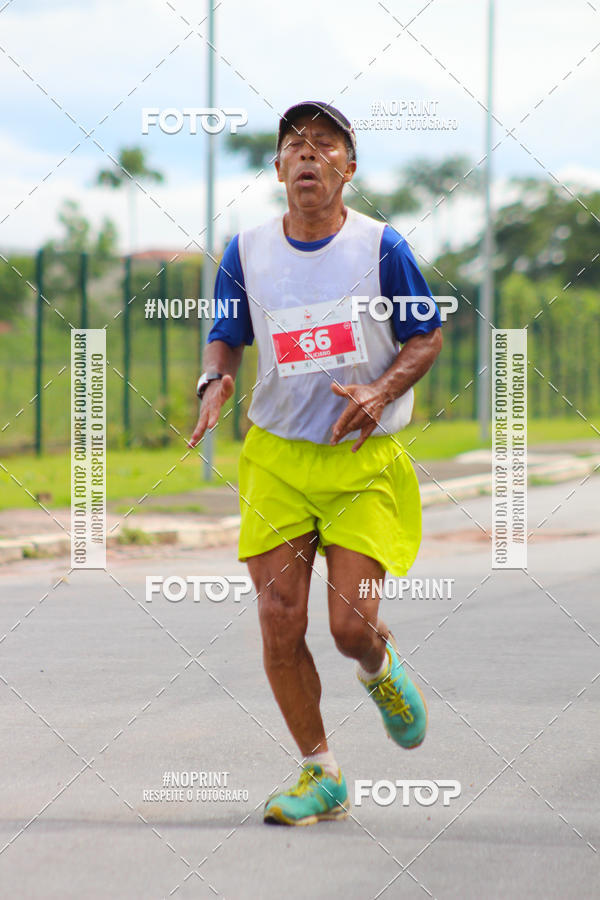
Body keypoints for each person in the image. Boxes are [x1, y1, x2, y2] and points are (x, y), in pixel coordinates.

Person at [189, 101, 443, 826]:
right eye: (293, 146)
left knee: (348, 628)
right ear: (277, 170)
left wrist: (380, 388)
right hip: (275, 457)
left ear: (347, 169)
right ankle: (320, 770)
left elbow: (424, 337)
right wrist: (216, 377)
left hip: (359, 458)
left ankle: (379, 666)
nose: (307, 154)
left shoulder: (381, 247)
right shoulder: (246, 252)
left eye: (324, 144)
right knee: (278, 617)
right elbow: (224, 334)